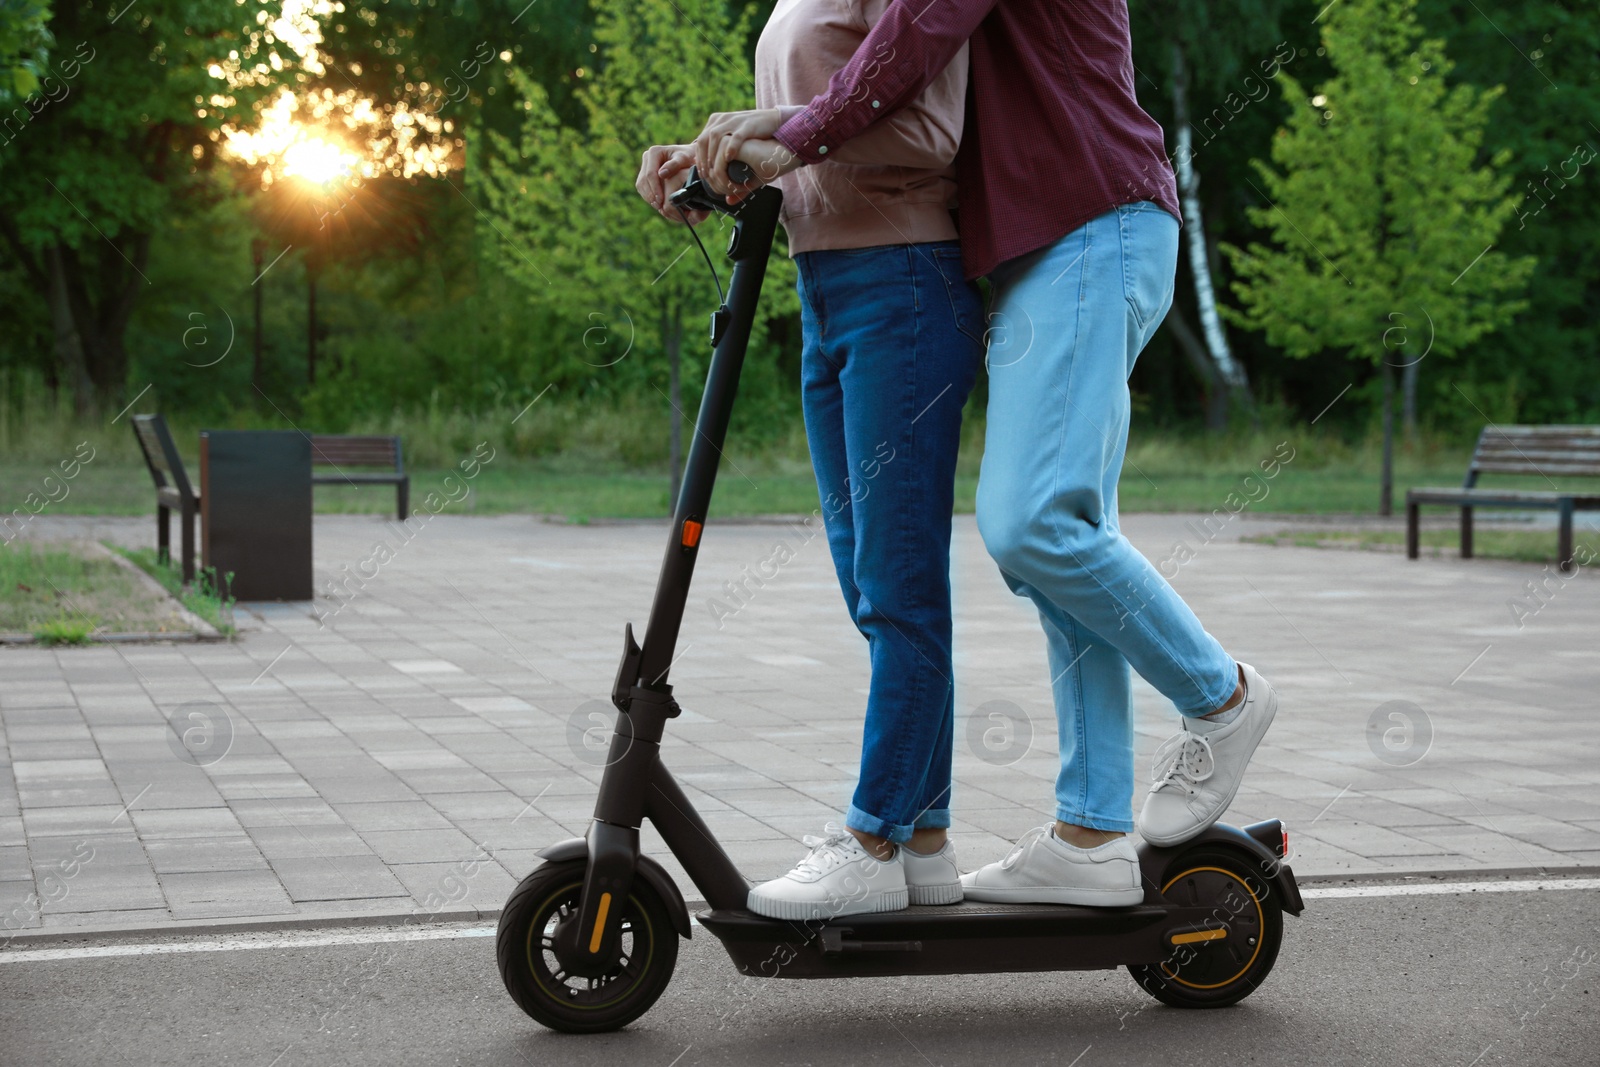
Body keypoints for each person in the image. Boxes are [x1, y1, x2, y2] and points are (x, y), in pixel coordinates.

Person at [677, 0, 1280, 908]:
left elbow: (913, 40)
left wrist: (795, 135)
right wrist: (760, 135)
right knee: (1065, 541)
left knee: (1031, 521)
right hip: (1045, 243)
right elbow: (879, 68)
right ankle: (1091, 833)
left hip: (1095, 218)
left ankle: (1221, 695)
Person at [637, 0, 984, 919]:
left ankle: (874, 838)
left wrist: (783, 139)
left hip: (905, 281)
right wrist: (706, 165)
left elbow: (931, 133)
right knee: (870, 583)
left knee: (898, 581)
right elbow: (804, 139)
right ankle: (925, 835)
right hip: (824, 287)